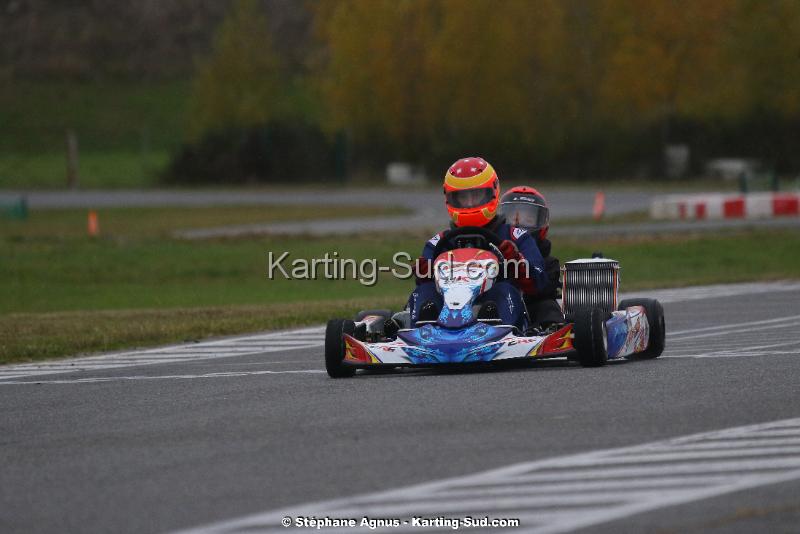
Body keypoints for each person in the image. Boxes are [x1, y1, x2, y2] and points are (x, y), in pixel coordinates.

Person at [405, 157, 550, 331]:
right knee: (424, 292)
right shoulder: (439, 242)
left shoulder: (516, 236)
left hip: (499, 306)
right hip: (448, 308)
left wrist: (516, 261)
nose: (470, 203)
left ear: (493, 192)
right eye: (462, 198)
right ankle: (423, 331)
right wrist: (425, 273)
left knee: (503, 290)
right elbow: (424, 279)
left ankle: (495, 326)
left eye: (476, 196)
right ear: (450, 199)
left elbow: (539, 281)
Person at [497, 186, 565, 330]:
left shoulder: (548, 262)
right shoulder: (491, 255)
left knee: (547, 307)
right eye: (511, 218)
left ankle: (550, 330)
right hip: (499, 303)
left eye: (527, 219)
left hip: (532, 306)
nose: (517, 225)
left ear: (543, 223)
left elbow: (544, 288)